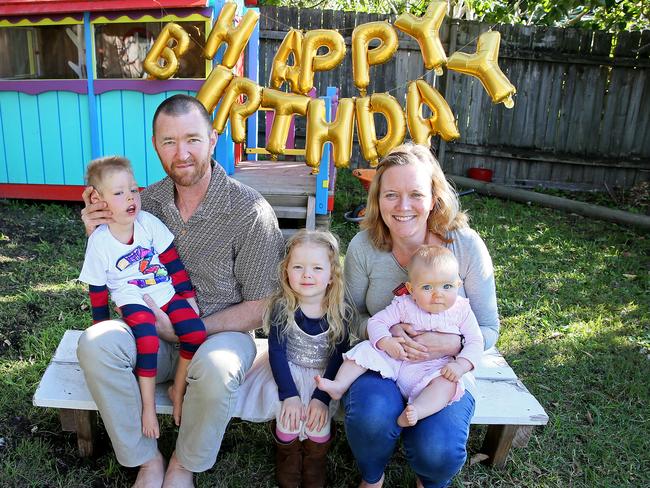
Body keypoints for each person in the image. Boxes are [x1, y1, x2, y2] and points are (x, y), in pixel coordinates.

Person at [77, 94, 284, 488]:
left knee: (218, 368)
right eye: (169, 142)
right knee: (95, 342)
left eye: (192, 138)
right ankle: (145, 457)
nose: (182, 152)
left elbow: (263, 305)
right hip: (146, 329)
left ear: (212, 138)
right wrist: (98, 231)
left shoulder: (249, 210)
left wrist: (191, 328)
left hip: (221, 335)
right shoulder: (143, 200)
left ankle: (183, 464)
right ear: (155, 145)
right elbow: (106, 264)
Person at [342, 142, 500, 488]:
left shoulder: (465, 246)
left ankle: (427, 478)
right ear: (377, 198)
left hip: (443, 372)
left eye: (415, 194)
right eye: (391, 195)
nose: (403, 207)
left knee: (439, 451)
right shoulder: (364, 247)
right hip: (385, 360)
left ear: (434, 197)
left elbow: (488, 328)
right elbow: (347, 317)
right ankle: (372, 477)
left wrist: (452, 343)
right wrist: (383, 331)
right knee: (369, 419)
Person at [78, 156, 207, 439]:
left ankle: (178, 387)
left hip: (165, 292)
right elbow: (98, 292)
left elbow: (172, 262)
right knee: (146, 339)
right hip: (132, 298)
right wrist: (102, 328)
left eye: (134, 190)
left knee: (196, 332)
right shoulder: (100, 242)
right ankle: (147, 407)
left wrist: (187, 296)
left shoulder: (147, 223)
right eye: (119, 192)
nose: (130, 197)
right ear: (99, 200)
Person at [234, 229, 353, 488]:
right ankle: (287, 457)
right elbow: (277, 353)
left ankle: (314, 464)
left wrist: (321, 398)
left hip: (323, 376)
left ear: (332, 275)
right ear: (286, 271)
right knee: (288, 416)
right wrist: (289, 394)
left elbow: (337, 358)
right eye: (298, 266)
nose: (307, 274)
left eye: (317, 268)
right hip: (285, 371)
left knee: (316, 421)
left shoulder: (339, 312)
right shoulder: (282, 307)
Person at [316, 244, 483, 428]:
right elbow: (376, 322)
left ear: (458, 285)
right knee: (365, 349)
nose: (438, 295)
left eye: (447, 286)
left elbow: (476, 341)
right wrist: (386, 342)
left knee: (448, 385)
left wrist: (461, 365)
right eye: (427, 287)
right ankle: (340, 384)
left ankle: (417, 410)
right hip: (397, 360)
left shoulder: (461, 310)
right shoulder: (404, 304)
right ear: (411, 289)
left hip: (435, 369)